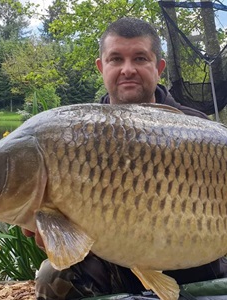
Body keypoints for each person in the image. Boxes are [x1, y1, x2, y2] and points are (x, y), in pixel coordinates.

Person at [24, 17, 227, 299]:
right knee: (53, 277)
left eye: (140, 58)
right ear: (101, 67)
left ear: (159, 68)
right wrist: (59, 239)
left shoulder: (197, 128)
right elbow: (71, 242)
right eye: (116, 59)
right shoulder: (79, 134)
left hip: (196, 266)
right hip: (117, 266)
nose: (127, 69)